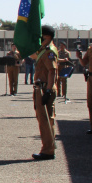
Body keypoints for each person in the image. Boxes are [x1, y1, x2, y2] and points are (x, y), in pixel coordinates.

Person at [31, 25, 59, 160]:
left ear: (47, 36)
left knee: (45, 120)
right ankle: (50, 146)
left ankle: (48, 150)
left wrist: (48, 90)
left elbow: (52, 71)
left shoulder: (49, 51)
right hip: (41, 87)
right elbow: (33, 56)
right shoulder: (44, 49)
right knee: (44, 119)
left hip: (44, 88)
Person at [76, 29, 92, 134]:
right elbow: (84, 63)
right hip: (91, 77)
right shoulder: (91, 48)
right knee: (91, 103)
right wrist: (79, 57)